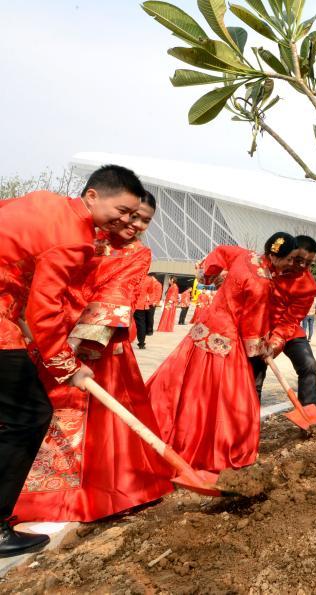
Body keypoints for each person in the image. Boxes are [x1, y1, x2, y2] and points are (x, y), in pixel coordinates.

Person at [0, 164, 144, 557]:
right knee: (30, 416)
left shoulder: (45, 201)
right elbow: (45, 309)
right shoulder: (75, 238)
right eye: (122, 211)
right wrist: (68, 366)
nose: (127, 221)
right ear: (92, 195)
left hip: (15, 314)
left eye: (134, 216)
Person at [14, 192, 175, 522]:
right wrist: (45, 334)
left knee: (92, 423)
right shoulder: (80, 234)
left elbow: (113, 298)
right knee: (34, 411)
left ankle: (89, 493)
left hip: (96, 344)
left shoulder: (137, 254)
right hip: (49, 332)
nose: (135, 224)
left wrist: (73, 348)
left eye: (145, 220)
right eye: (132, 215)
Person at [147, 233, 296, 472]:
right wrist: (261, 349)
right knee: (221, 397)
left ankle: (171, 431)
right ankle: (205, 446)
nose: (291, 264)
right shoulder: (262, 284)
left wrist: (209, 275)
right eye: (289, 259)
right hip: (226, 340)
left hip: (204, 328)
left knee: (188, 385)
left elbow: (219, 253)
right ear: (274, 256)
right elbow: (252, 325)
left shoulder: (244, 255)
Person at [250, 235, 316, 406]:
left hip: (286, 330)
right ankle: (250, 417)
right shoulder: (264, 267)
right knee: (255, 374)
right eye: (298, 260)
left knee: (308, 364)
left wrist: (273, 345)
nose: (302, 266)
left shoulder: (308, 286)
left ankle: (310, 412)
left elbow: (291, 320)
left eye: (309, 263)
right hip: (258, 327)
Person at [133, 274, 157, 350]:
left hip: (131, 303)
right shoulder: (149, 279)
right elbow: (150, 291)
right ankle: (141, 343)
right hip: (141, 304)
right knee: (141, 324)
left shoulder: (134, 276)